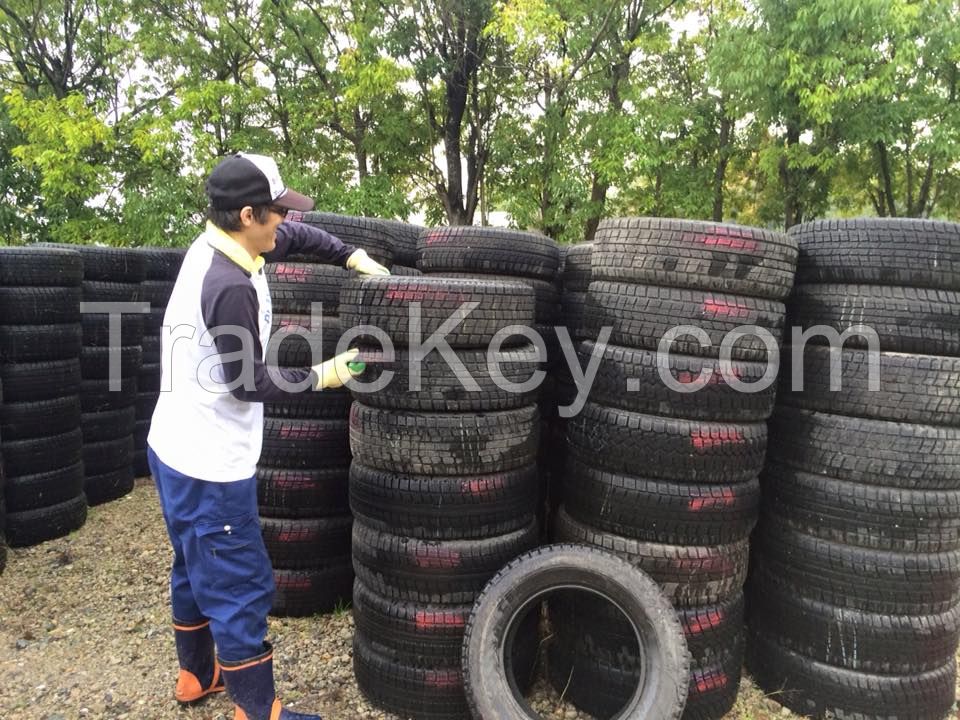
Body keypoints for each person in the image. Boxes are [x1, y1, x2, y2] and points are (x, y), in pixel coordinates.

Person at [146, 152, 389, 720]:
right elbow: (249, 383)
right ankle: (258, 711)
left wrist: (352, 255)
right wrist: (326, 374)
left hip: (171, 447)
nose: (285, 220)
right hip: (208, 464)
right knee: (239, 581)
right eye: (277, 212)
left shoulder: (225, 242)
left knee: (192, 563)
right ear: (248, 214)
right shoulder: (227, 283)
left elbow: (299, 238)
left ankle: (194, 676)